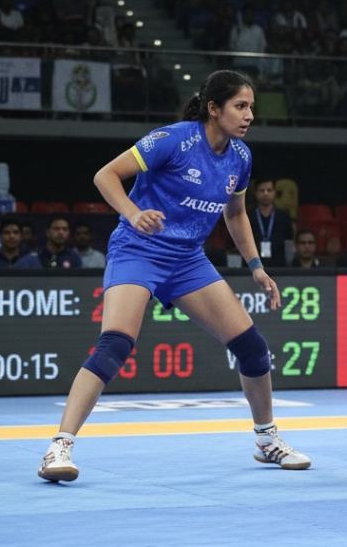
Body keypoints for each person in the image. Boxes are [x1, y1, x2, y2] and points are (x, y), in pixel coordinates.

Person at [37, 70, 311, 483]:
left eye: (251, 107)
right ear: (214, 109)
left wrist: (256, 267)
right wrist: (133, 213)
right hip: (138, 250)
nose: (249, 115)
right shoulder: (174, 140)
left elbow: (235, 214)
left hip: (187, 260)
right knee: (114, 345)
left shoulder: (240, 157)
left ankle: (266, 439)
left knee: (252, 348)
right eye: (240, 106)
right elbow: (105, 176)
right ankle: (59, 446)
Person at [249, 176, 293, 268]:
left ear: (274, 192)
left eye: (269, 190)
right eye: (262, 190)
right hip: (254, 265)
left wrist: (290, 264)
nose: (266, 193)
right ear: (256, 193)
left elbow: (288, 241)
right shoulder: (248, 216)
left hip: (279, 265)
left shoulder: (284, 216)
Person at [17, 217, 83, 269]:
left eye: (64, 229)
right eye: (56, 229)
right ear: (48, 233)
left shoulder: (74, 257)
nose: (61, 232)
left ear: (68, 234)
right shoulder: (32, 258)